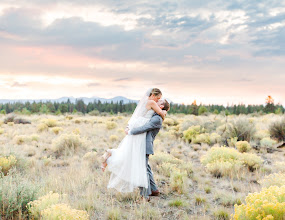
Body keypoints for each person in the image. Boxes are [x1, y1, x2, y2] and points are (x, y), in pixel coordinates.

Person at [101, 88, 167, 194]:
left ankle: (154, 189)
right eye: (158, 98)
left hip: (137, 129)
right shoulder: (151, 102)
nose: (158, 100)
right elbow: (161, 113)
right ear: (153, 95)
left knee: (140, 162)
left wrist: (129, 127)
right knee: (139, 163)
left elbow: (135, 117)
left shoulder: (145, 102)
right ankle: (145, 194)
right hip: (139, 133)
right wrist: (164, 111)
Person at [126, 99, 170, 201]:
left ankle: (145, 196)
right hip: (142, 144)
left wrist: (130, 131)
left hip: (145, 145)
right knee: (147, 168)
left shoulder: (157, 119)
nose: (156, 102)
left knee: (143, 169)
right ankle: (154, 190)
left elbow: (144, 127)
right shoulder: (155, 115)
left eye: (159, 101)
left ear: (162, 106)